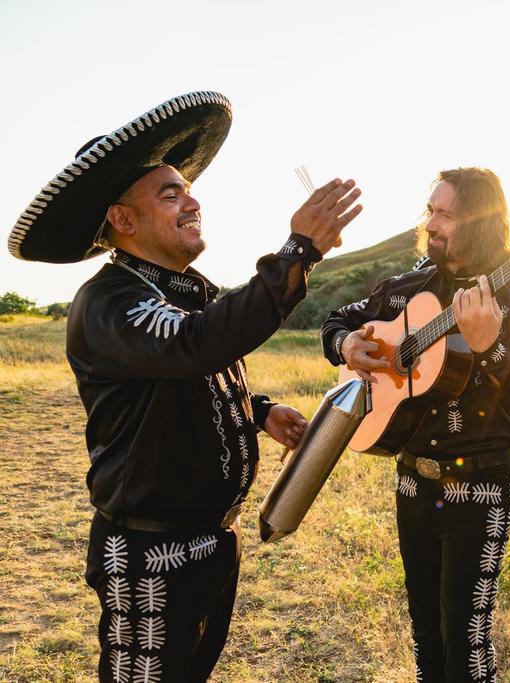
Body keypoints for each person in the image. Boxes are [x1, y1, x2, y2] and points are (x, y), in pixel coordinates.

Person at [8, 92, 363, 682]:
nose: (192, 201)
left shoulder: (185, 290)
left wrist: (260, 410)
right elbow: (193, 345)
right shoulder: (109, 301)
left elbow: (190, 372)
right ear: (122, 220)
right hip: (149, 559)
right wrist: (299, 251)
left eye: (188, 189)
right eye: (168, 195)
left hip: (212, 548)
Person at [321, 167, 510, 682]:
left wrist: (489, 348)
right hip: (412, 482)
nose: (430, 223)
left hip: (480, 488)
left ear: (476, 220)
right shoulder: (406, 289)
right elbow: (337, 320)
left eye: (444, 214)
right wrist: (345, 345)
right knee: (426, 635)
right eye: (430, 211)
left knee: (466, 644)